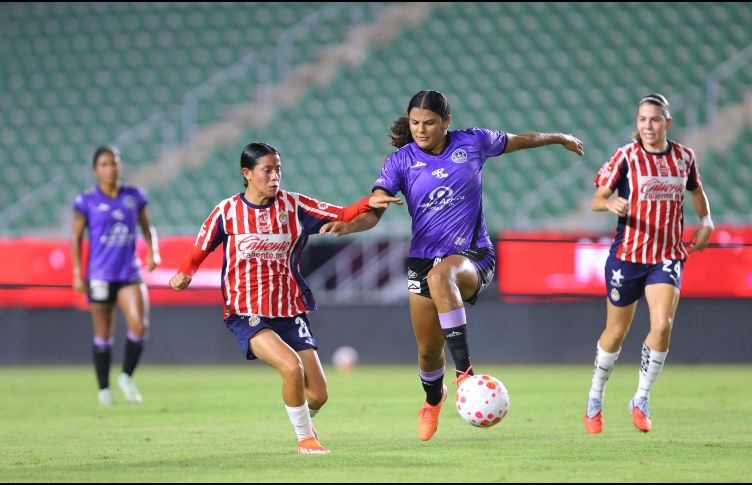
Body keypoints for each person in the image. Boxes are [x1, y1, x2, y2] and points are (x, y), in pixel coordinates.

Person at [320, 90, 584, 441]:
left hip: (473, 254)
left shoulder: (473, 142)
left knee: (441, 275)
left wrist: (559, 137)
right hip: (423, 259)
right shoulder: (400, 162)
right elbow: (375, 211)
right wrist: (351, 225)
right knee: (428, 352)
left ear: (446, 122)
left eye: (429, 123)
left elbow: (521, 140)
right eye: (415, 122)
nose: (420, 129)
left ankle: (464, 374)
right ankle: (433, 399)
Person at [168, 142, 401, 455]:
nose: (275, 176)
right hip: (246, 311)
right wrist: (184, 273)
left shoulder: (295, 206)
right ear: (247, 173)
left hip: (289, 310)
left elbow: (341, 213)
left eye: (278, 169)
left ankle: (302, 420)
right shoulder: (227, 212)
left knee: (318, 395)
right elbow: (200, 247)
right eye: (267, 170)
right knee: (291, 368)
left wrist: (368, 201)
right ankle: (306, 440)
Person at [583, 93, 714, 434]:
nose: (648, 125)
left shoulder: (684, 157)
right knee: (616, 332)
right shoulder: (626, 156)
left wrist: (707, 220)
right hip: (627, 257)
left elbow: (696, 191)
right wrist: (609, 204)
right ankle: (595, 397)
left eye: (654, 119)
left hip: (666, 256)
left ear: (667, 122)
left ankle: (641, 398)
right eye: (642, 119)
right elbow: (597, 198)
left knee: (662, 324)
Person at [72, 145, 161, 406]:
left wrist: (153, 251)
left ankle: (126, 376)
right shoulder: (86, 201)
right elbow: (76, 237)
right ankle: (104, 389)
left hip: (129, 273)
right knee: (103, 334)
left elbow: (147, 227)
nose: (110, 168)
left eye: (114, 163)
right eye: (104, 164)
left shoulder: (135, 195)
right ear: (95, 169)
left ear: (120, 166)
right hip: (100, 275)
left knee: (139, 325)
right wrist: (77, 273)